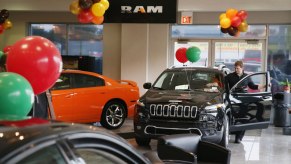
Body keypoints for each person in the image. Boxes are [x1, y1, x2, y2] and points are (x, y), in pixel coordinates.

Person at [224, 60, 265, 144]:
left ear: (242, 68)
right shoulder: (229, 76)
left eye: (238, 68)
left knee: (243, 119)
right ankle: (230, 133)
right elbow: (223, 86)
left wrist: (264, 86)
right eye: (235, 68)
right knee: (234, 118)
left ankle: (239, 137)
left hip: (244, 100)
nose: (236, 70)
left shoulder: (246, 77)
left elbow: (253, 86)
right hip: (233, 100)